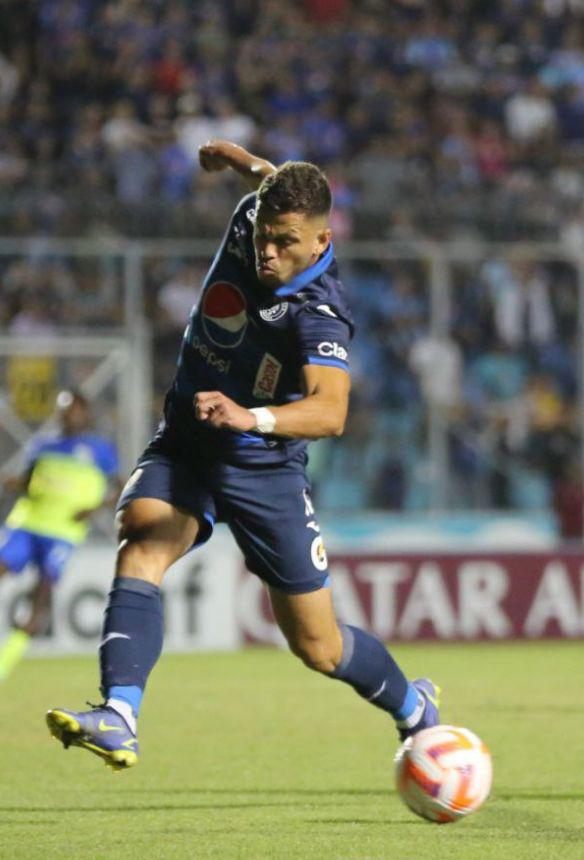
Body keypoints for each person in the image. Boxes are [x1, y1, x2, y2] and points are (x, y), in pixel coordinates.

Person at [46, 141, 439, 770]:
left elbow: (330, 410)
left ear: (320, 240)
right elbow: (270, 178)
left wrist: (250, 416)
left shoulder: (318, 314)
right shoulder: (260, 214)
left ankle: (415, 710)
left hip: (262, 465)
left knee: (318, 646)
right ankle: (119, 715)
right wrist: (233, 158)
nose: (267, 252)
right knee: (141, 534)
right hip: (189, 434)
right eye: (263, 234)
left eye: (285, 241)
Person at [0, 391, 120, 681]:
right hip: (27, 522)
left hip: (63, 531)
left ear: (85, 413)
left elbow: (120, 487)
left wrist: (95, 509)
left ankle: (4, 665)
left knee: (41, 594)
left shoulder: (99, 450)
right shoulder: (43, 445)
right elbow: (28, 481)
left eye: (72, 410)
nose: (67, 415)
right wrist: (14, 483)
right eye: (62, 410)